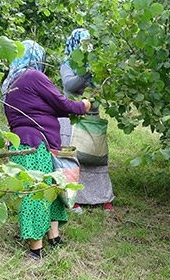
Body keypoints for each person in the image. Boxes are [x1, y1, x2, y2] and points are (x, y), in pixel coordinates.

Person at [1, 39, 92, 259]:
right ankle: (36, 249)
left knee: (49, 188)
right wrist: (84, 105)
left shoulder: (11, 82)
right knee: (38, 192)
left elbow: (43, 108)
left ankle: (54, 236)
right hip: (35, 144)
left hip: (23, 144)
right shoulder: (33, 76)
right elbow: (61, 103)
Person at [58, 28, 115, 213]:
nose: (86, 47)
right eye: (82, 43)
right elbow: (69, 85)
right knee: (74, 158)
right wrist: (85, 74)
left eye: (88, 43)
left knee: (97, 157)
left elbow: (104, 89)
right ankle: (74, 200)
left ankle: (104, 197)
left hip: (93, 118)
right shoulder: (67, 65)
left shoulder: (97, 65)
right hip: (73, 118)